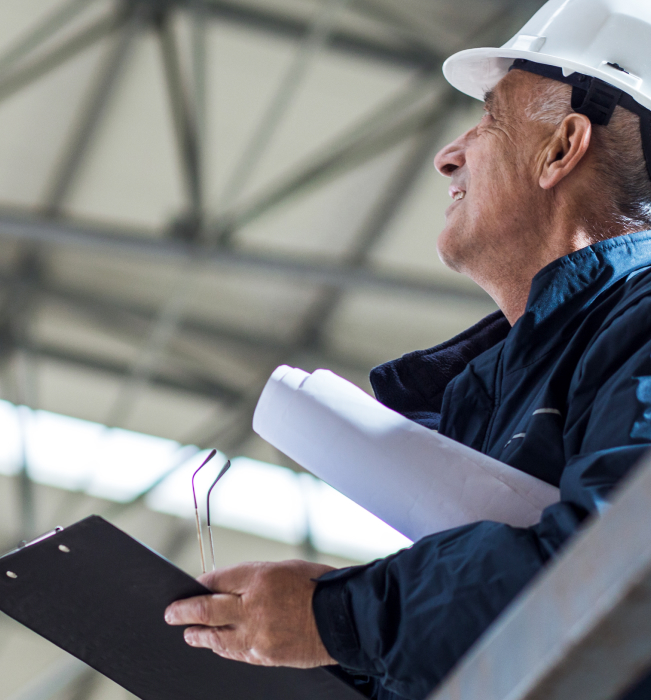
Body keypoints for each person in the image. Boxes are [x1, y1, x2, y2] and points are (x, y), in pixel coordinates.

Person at [165, 1, 651, 698]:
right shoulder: (509, 389)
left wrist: (338, 618)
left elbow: (612, 573)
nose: (447, 154)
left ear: (560, 149)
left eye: (488, 120)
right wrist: (310, 647)